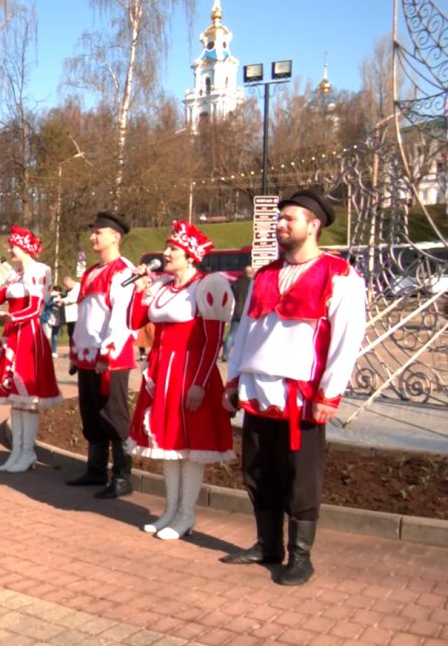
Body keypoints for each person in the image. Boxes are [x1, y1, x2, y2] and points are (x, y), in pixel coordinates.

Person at [221, 188, 367, 586]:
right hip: (257, 391)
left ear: (313, 225)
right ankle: (267, 545)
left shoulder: (340, 275)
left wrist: (329, 393)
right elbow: (246, 331)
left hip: (300, 398)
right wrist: (233, 381)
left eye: (290, 218)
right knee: (258, 471)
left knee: (300, 479)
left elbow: (346, 339)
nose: (281, 224)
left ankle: (300, 556)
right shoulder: (266, 274)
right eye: (280, 218)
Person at [127, 221, 236, 540]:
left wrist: (200, 382)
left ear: (190, 256)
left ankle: (186, 514)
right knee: (168, 445)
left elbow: (214, 340)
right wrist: (138, 291)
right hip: (162, 371)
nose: (166, 253)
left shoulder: (208, 285)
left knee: (189, 447)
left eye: (173, 248)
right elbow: (134, 322)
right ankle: (170, 510)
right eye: (168, 247)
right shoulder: (160, 286)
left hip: (190, 371)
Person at [66, 211, 138, 498]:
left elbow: (121, 317)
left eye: (99, 232)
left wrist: (107, 352)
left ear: (115, 237)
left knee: (114, 414)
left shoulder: (124, 270)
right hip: (87, 354)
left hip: (110, 357)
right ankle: (96, 469)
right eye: (93, 231)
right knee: (91, 413)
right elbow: (84, 315)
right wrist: (76, 349)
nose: (93, 236)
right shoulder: (92, 272)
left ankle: (122, 475)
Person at [0, 226, 63, 472]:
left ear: (24, 247)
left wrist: (12, 317)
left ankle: (27, 451)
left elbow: (36, 308)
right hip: (12, 335)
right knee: (14, 399)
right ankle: (17, 451)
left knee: (27, 398)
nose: (9, 250)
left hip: (28, 336)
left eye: (12, 246)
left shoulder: (41, 270)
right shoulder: (14, 273)